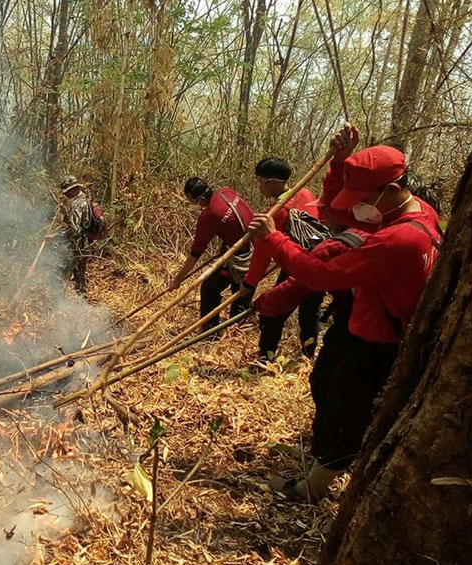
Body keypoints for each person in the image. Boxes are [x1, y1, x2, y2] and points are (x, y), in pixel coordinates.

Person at [247, 124, 442, 500]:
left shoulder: (399, 239)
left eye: (362, 195)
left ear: (391, 189)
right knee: (324, 383)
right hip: (356, 324)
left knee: (345, 407)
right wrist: (338, 164)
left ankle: (314, 486)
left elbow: (320, 275)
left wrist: (272, 238)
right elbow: (339, 212)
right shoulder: (407, 214)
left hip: (378, 341)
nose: (355, 205)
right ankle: (325, 453)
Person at [240, 158, 323, 359]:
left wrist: (248, 284)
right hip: (319, 261)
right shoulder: (305, 193)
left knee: (272, 314)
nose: (259, 187)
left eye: (260, 181)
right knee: (309, 313)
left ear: (272, 181)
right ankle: (307, 354)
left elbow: (261, 254)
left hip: (297, 267)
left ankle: (266, 357)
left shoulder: (275, 213)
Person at [168, 177, 255, 333]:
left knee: (211, 289)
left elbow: (195, 253)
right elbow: (235, 222)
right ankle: (232, 330)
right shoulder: (226, 192)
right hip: (254, 247)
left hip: (243, 258)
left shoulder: (209, 216)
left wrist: (177, 280)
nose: (192, 205)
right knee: (237, 295)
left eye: (191, 201)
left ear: (200, 199)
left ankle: (211, 333)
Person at [59, 176, 104, 293]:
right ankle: (81, 298)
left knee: (62, 273)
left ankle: (59, 299)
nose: (66, 195)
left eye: (67, 192)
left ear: (73, 189)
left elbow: (75, 230)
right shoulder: (85, 199)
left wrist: (57, 235)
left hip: (77, 245)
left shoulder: (77, 205)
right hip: (86, 244)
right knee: (80, 274)